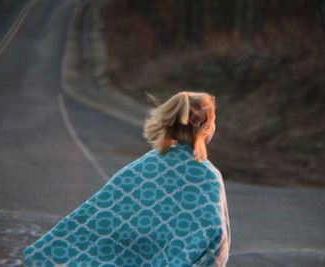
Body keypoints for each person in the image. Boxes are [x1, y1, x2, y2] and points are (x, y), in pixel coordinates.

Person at [23, 91, 231, 266]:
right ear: (205, 126)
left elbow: (97, 216)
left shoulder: (144, 165)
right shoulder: (208, 176)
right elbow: (214, 233)